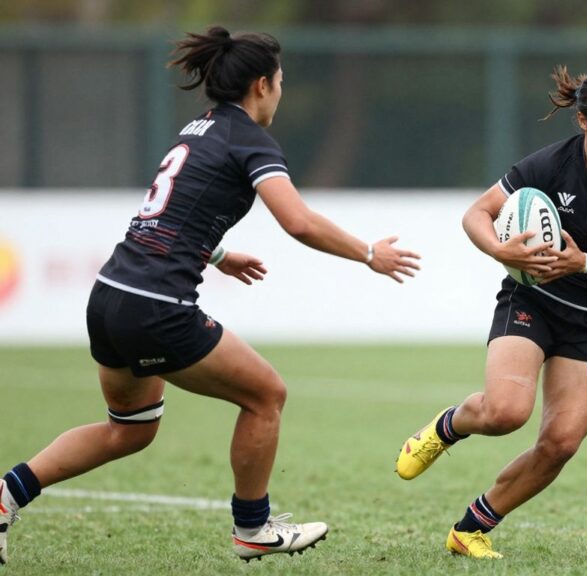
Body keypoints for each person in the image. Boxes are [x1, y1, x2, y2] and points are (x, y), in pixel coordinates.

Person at [0, 26, 420, 566]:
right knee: (266, 395)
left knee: (129, 430)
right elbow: (297, 221)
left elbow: (174, 209)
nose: (281, 93)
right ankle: (253, 529)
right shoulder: (249, 138)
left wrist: (220, 255)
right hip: (155, 306)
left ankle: (6, 495)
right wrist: (368, 253)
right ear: (262, 85)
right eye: (282, 82)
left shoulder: (197, 128)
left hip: (110, 296)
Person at [395, 65, 587, 558]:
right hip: (533, 302)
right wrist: (502, 252)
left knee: (561, 443)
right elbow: (476, 214)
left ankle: (471, 529)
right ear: (584, 121)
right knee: (505, 413)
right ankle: (446, 428)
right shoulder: (548, 165)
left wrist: (583, 261)